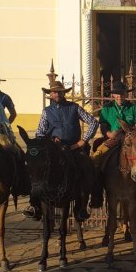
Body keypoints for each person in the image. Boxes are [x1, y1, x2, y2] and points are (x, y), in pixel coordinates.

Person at [22, 80, 99, 221]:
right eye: (53, 92)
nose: (56, 94)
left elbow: (93, 122)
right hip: (54, 149)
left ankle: (82, 206)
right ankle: (35, 205)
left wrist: (83, 141)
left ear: (63, 93)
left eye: (59, 92)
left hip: (73, 147)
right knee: (36, 170)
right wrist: (49, 140)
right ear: (50, 94)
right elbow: (40, 132)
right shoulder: (47, 112)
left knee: (88, 168)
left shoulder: (74, 107)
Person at [90, 81, 136, 208]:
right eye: (116, 94)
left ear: (126, 94)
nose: (119, 96)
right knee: (96, 159)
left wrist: (132, 133)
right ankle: (96, 196)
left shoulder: (133, 108)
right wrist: (109, 134)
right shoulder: (106, 108)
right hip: (113, 140)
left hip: (131, 140)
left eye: (121, 94)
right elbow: (103, 125)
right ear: (113, 95)